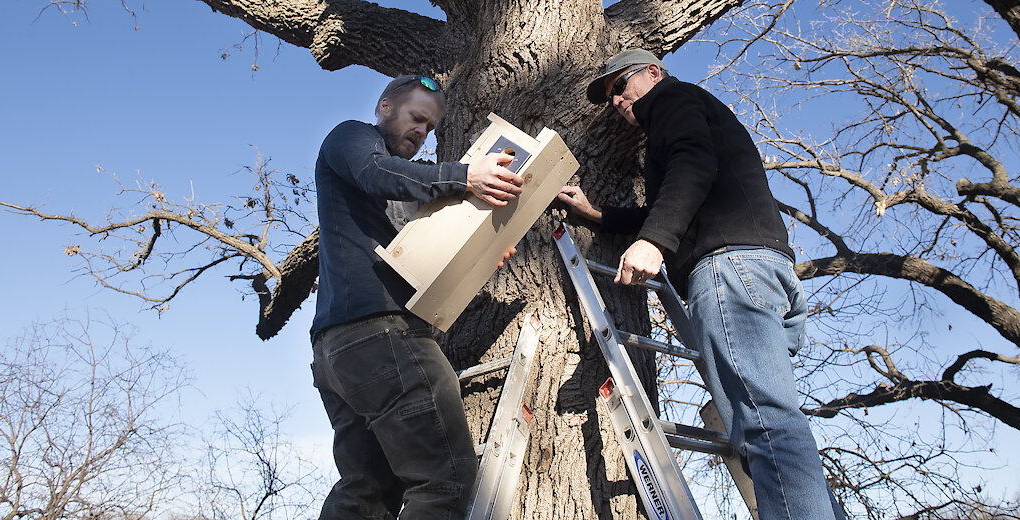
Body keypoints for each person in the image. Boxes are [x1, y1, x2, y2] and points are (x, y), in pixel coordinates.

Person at [556, 49, 846, 520]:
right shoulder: (683, 120)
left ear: (652, 73)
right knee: (760, 429)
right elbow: (677, 194)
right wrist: (598, 215)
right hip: (760, 274)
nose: (615, 101)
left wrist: (654, 241)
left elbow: (692, 165)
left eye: (619, 85)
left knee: (766, 424)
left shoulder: (673, 100)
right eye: (608, 96)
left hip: (729, 272)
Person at [310, 74, 525, 520]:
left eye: (430, 127)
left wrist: (481, 253)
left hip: (341, 354)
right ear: (385, 106)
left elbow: (422, 257)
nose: (422, 132)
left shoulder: (402, 193)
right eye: (416, 118)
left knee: (368, 493)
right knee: (444, 480)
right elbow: (377, 173)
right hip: (378, 334)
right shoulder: (353, 138)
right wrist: (466, 176)